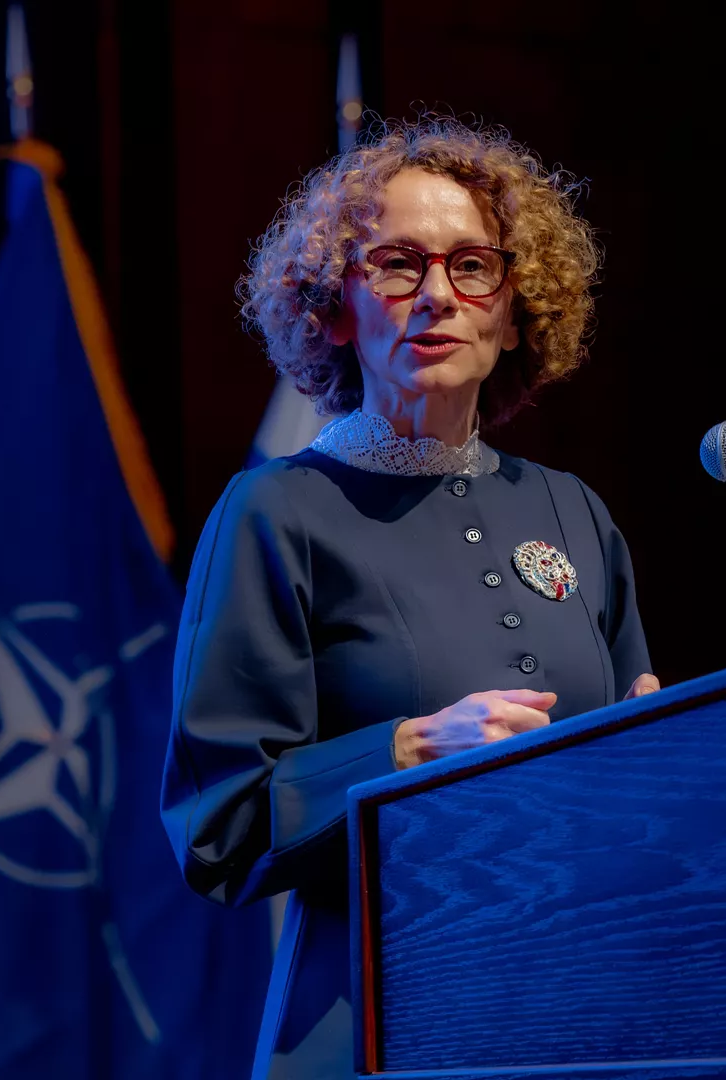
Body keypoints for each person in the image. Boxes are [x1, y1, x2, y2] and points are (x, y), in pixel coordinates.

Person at [160, 116, 658, 1080]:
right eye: (396, 265)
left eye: (473, 266)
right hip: (380, 1021)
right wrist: (405, 752)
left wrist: (661, 753)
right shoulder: (276, 510)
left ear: (515, 309)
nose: (438, 295)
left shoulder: (574, 511)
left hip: (582, 1009)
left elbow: (635, 765)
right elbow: (218, 825)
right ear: (336, 309)